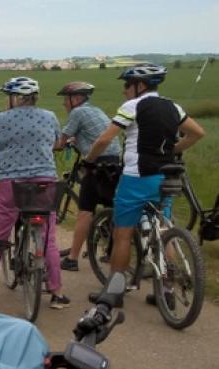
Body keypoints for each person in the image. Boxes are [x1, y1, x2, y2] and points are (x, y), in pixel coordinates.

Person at [82, 64, 206, 304]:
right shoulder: (173, 106)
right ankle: (167, 292)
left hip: (136, 178)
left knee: (123, 234)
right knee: (163, 229)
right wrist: (172, 150)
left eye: (127, 85)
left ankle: (114, 292)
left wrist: (89, 161)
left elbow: (105, 138)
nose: (124, 90)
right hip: (166, 176)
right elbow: (197, 133)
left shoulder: (132, 106)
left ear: (140, 85)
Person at [0, 77, 69, 309]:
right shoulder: (49, 117)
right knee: (49, 239)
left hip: (8, 182)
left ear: (14, 98)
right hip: (43, 182)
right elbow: (57, 143)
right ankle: (57, 293)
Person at [54, 82, 122, 272]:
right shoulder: (95, 110)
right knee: (111, 209)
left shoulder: (77, 113)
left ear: (75, 99)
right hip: (114, 162)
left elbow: (62, 139)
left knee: (85, 211)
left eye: (65, 100)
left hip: (97, 164)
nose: (63, 104)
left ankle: (72, 259)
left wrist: (54, 146)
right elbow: (94, 134)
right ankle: (111, 251)